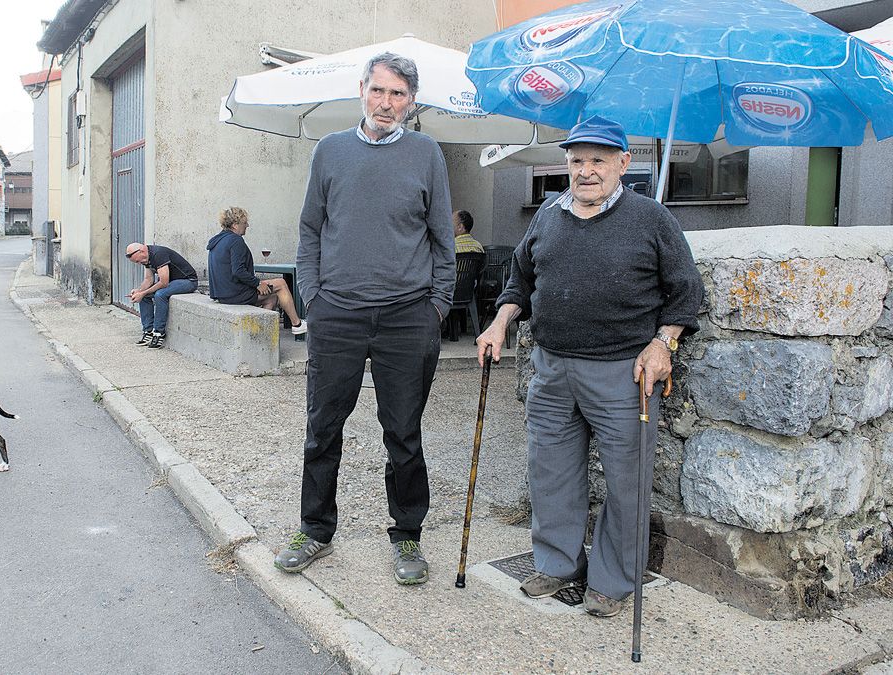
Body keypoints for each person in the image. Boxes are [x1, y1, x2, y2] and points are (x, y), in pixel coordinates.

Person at [475, 115, 704, 617]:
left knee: (627, 482)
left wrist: (664, 343)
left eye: (598, 160)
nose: (586, 170)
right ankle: (558, 565)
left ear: (624, 162)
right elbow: (521, 279)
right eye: (577, 160)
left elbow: (686, 291)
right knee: (550, 472)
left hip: (623, 372)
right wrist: (500, 322)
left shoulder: (651, 218)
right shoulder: (547, 216)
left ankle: (612, 581)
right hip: (552, 369)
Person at [273, 52, 454, 586]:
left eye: (398, 94)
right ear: (362, 90)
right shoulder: (330, 151)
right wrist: (315, 298)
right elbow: (310, 230)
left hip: (408, 317)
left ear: (412, 102)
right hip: (339, 315)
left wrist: (436, 307)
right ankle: (314, 531)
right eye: (379, 91)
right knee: (323, 428)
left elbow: (443, 238)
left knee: (403, 432)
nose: (386, 103)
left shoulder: (427, 154)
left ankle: (407, 537)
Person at [206, 206, 306, 335]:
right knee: (281, 284)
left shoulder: (217, 241)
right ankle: (297, 324)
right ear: (235, 225)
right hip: (234, 294)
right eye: (244, 222)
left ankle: (261, 335)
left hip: (222, 294)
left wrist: (258, 284)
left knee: (272, 297)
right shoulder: (236, 241)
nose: (247, 225)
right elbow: (238, 271)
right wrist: (258, 283)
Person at [124, 242, 198, 350]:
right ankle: (148, 331)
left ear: (141, 251)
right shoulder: (146, 258)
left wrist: (143, 293)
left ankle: (159, 333)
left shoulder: (158, 254)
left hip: (188, 281)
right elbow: (148, 279)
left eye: (138, 260)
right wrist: (139, 291)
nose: (139, 263)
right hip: (172, 282)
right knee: (145, 296)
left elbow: (164, 282)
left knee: (160, 295)